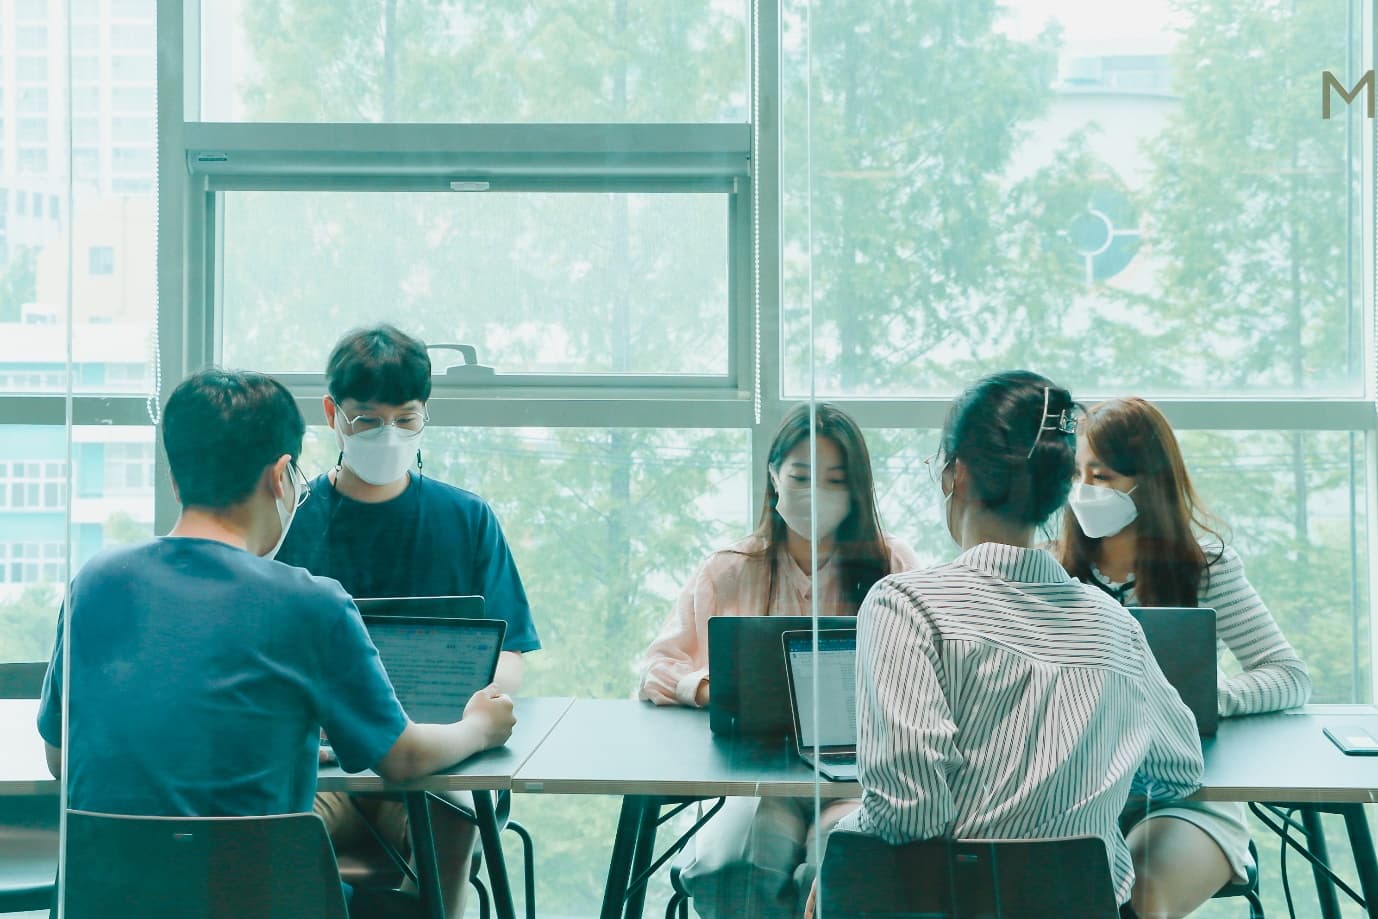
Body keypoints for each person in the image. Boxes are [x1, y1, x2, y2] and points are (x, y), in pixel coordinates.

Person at [36, 369, 515, 918]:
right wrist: (479, 726)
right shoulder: (309, 602)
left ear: (176, 478)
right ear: (281, 476)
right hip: (261, 904)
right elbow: (402, 758)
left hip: (108, 904)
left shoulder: (94, 583)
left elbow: (59, 756)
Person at [806, 371, 1204, 919]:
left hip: (938, 906)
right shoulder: (1114, 624)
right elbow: (1180, 768)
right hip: (1081, 906)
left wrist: (840, 845)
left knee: (833, 838)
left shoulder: (905, 604)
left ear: (958, 475)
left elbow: (910, 810)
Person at [274, 324, 540, 918]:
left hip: (437, 754)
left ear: (425, 414)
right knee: (274, 857)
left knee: (444, 859)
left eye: (406, 418)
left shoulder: (466, 518)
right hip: (323, 766)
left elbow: (510, 650)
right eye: (367, 419)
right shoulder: (292, 521)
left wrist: (477, 709)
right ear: (333, 414)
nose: (387, 433)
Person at [638, 402, 918, 919]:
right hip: (756, 783)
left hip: (860, 780)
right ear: (774, 476)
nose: (816, 493)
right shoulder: (732, 569)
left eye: (835, 479)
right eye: (802, 476)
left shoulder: (893, 567)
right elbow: (657, 666)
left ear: (857, 488)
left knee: (843, 868)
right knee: (733, 869)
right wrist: (710, 689)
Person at [1058, 396, 1312, 919]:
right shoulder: (1049, 571)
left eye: (1101, 475)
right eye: (1078, 473)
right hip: (1070, 795)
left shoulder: (1205, 567)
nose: (1084, 490)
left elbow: (1287, 675)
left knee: (1137, 901)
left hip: (1186, 799)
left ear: (1147, 482)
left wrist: (1202, 699)